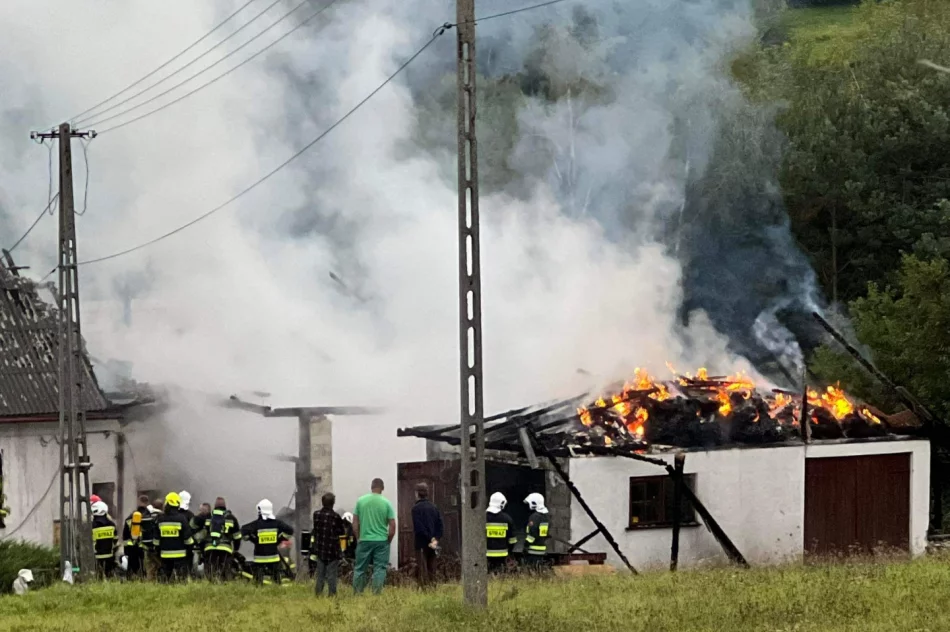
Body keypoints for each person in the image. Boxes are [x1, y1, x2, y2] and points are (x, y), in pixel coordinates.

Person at [352, 478, 395, 595]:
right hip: (381, 541)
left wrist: (358, 537)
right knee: (379, 569)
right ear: (383, 488)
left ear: (371, 487)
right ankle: (376, 594)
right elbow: (392, 525)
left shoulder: (360, 501)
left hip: (364, 540)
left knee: (360, 568)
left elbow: (355, 522)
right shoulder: (386, 503)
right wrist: (388, 540)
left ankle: (357, 594)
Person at [241, 499, 294, 586]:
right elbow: (290, 530)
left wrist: (254, 540)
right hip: (274, 558)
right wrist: (279, 540)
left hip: (260, 559)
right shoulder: (277, 523)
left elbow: (244, 531)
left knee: (258, 582)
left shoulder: (256, 524)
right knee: (277, 582)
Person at [311, 492, 347, 597]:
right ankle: (332, 595)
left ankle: (318, 594)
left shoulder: (316, 515)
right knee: (332, 575)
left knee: (320, 575)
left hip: (320, 549)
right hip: (332, 551)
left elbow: (316, 530)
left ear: (322, 502)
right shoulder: (336, 517)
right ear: (333, 503)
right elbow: (341, 532)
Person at [153, 492, 194, 582]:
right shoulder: (182, 518)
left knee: (164, 580)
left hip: (164, 555)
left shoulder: (160, 519)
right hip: (180, 555)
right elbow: (188, 539)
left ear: (167, 503)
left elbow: (156, 540)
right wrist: (189, 550)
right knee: (180, 580)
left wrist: (157, 550)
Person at [199, 497, 242, 581]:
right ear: (225, 506)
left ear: (215, 506)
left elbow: (202, 535)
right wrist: (235, 549)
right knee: (226, 572)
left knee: (210, 573)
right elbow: (237, 537)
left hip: (210, 548)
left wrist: (202, 550)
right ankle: (226, 587)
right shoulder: (231, 518)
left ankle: (209, 587)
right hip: (225, 550)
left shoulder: (208, 517)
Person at [410, 482, 443, 589]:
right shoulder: (434, 507)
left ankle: (425, 590)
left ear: (417, 494)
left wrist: (429, 538)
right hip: (433, 544)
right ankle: (433, 589)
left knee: (423, 570)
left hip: (421, 543)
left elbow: (419, 527)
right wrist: (435, 539)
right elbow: (440, 526)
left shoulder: (416, 509)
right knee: (432, 569)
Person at [486, 492, 518, 574]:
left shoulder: (482, 517)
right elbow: (512, 540)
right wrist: (510, 551)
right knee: (500, 576)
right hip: (502, 555)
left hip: (485, 555)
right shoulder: (507, 519)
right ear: (502, 503)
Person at [122, 494, 151, 579]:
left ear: (138, 502)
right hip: (144, 546)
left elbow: (125, 534)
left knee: (131, 567)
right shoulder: (149, 515)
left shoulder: (131, 516)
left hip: (131, 547)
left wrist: (126, 548)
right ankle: (143, 580)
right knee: (143, 567)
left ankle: (130, 580)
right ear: (147, 503)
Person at [523, 493, 550, 571]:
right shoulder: (545, 517)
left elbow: (532, 534)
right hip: (541, 549)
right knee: (538, 571)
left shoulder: (534, 517)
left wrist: (525, 545)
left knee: (531, 571)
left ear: (534, 503)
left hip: (533, 550)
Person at [91, 500, 118, 578]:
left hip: (95, 558)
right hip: (110, 557)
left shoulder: (91, 526)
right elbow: (115, 539)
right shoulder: (112, 524)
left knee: (97, 578)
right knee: (110, 577)